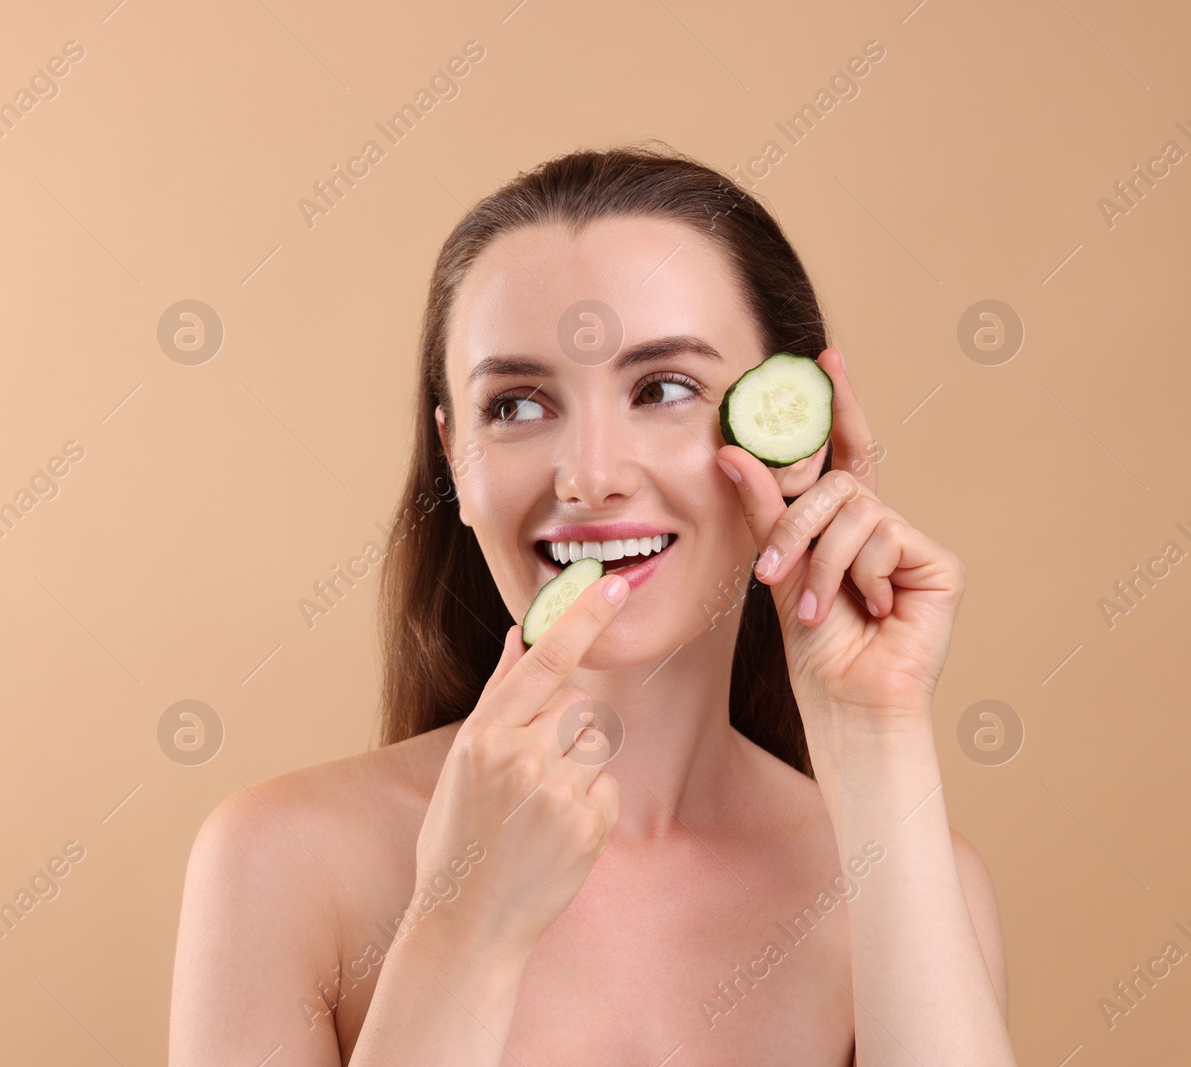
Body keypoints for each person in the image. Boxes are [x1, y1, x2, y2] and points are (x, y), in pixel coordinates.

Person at [168, 143, 1014, 1065]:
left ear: (792, 429)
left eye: (664, 388)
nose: (590, 477)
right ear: (455, 454)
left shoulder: (916, 881)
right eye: (519, 406)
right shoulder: (283, 863)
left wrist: (875, 739)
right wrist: (463, 926)